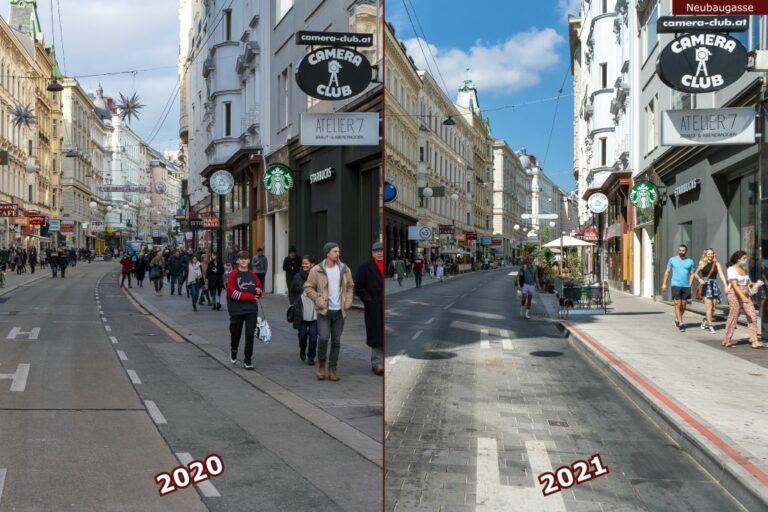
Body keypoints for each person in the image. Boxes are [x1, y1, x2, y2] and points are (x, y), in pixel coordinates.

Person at [304, 242, 354, 382]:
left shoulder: (344, 269)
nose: (338, 254)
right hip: (324, 311)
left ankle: (332, 369)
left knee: (336, 341)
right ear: (327, 253)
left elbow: (350, 286)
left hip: (339, 312)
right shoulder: (316, 270)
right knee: (324, 338)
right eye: (335, 251)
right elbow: (308, 288)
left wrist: (348, 301)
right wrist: (318, 299)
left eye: (338, 251)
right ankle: (321, 366)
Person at [226, 250, 263, 369]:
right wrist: (249, 296)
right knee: (236, 333)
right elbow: (231, 292)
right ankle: (234, 349)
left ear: (249, 261)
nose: (243, 261)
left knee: (249, 334)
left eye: (246, 259)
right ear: (237, 260)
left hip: (251, 309)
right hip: (236, 309)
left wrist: (259, 292)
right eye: (241, 259)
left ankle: (248, 360)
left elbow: (258, 288)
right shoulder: (233, 274)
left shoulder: (253, 274)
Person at [723, 251, 764, 349]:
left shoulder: (743, 268)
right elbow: (734, 285)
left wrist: (755, 284)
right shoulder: (731, 269)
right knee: (733, 317)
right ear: (738, 259)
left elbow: (747, 282)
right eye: (744, 258)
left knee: (752, 316)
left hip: (745, 294)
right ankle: (727, 339)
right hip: (735, 295)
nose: (746, 260)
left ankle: (754, 340)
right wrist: (742, 297)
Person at [355, 242, 384, 376]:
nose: (379, 253)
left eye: (381, 251)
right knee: (376, 334)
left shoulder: (387, 266)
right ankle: (377, 363)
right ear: (372, 253)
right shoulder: (365, 267)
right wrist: (368, 300)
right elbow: (359, 286)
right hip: (374, 306)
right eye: (376, 251)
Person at [290, 255, 318, 365]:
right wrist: (292, 303)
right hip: (300, 312)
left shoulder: (318, 276)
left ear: (312, 264)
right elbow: (291, 291)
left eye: (306, 263)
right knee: (302, 335)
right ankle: (302, 349)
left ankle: (311, 356)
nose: (304, 265)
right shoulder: (297, 276)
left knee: (314, 337)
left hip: (314, 312)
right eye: (303, 263)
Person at [662, 244, 696, 332]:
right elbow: (667, 271)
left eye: (683, 250)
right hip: (675, 285)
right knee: (678, 304)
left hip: (686, 286)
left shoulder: (690, 261)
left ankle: (677, 319)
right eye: (680, 250)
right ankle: (681, 323)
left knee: (684, 305)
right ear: (678, 251)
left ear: (686, 251)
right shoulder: (672, 260)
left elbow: (692, 274)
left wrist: (690, 284)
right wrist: (664, 283)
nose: (681, 252)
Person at [694, 248, 728, 334]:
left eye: (712, 254)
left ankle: (705, 320)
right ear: (705, 254)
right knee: (709, 307)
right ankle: (710, 326)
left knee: (713, 308)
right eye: (709, 254)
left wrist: (725, 285)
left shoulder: (716, 263)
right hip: (706, 285)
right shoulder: (702, 263)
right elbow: (695, 273)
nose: (711, 255)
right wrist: (700, 280)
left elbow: (721, 275)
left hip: (714, 285)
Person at [516, 255, 540, 319]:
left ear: (533, 260)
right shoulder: (524, 267)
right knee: (524, 297)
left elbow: (536, 277)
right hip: (525, 285)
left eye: (531, 259)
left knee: (529, 300)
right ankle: (522, 307)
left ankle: (526, 313)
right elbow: (518, 276)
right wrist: (518, 284)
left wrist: (538, 285)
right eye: (528, 259)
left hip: (532, 285)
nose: (530, 261)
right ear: (527, 260)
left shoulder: (535, 268)